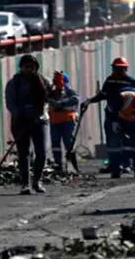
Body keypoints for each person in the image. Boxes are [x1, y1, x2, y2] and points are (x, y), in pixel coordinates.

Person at [82, 57, 135, 178]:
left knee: (131, 142)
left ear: (125, 69)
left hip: (127, 116)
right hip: (112, 115)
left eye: (120, 69)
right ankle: (116, 167)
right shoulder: (110, 80)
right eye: (116, 68)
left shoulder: (132, 82)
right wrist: (90, 101)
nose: (118, 71)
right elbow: (103, 95)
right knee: (113, 143)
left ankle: (132, 166)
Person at [5, 54, 52, 195]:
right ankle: (25, 184)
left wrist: (58, 88)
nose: (29, 69)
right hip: (21, 122)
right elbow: (10, 103)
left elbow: (51, 98)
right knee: (24, 153)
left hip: (40, 121)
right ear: (21, 67)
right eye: (26, 66)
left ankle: (37, 181)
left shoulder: (44, 81)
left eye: (32, 67)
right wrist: (20, 115)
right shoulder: (14, 83)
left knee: (41, 153)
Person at [48, 71, 80, 174]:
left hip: (68, 121)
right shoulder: (51, 93)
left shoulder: (70, 92)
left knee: (69, 143)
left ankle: (73, 166)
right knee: (56, 144)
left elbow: (75, 100)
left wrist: (60, 103)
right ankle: (58, 166)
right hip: (55, 121)